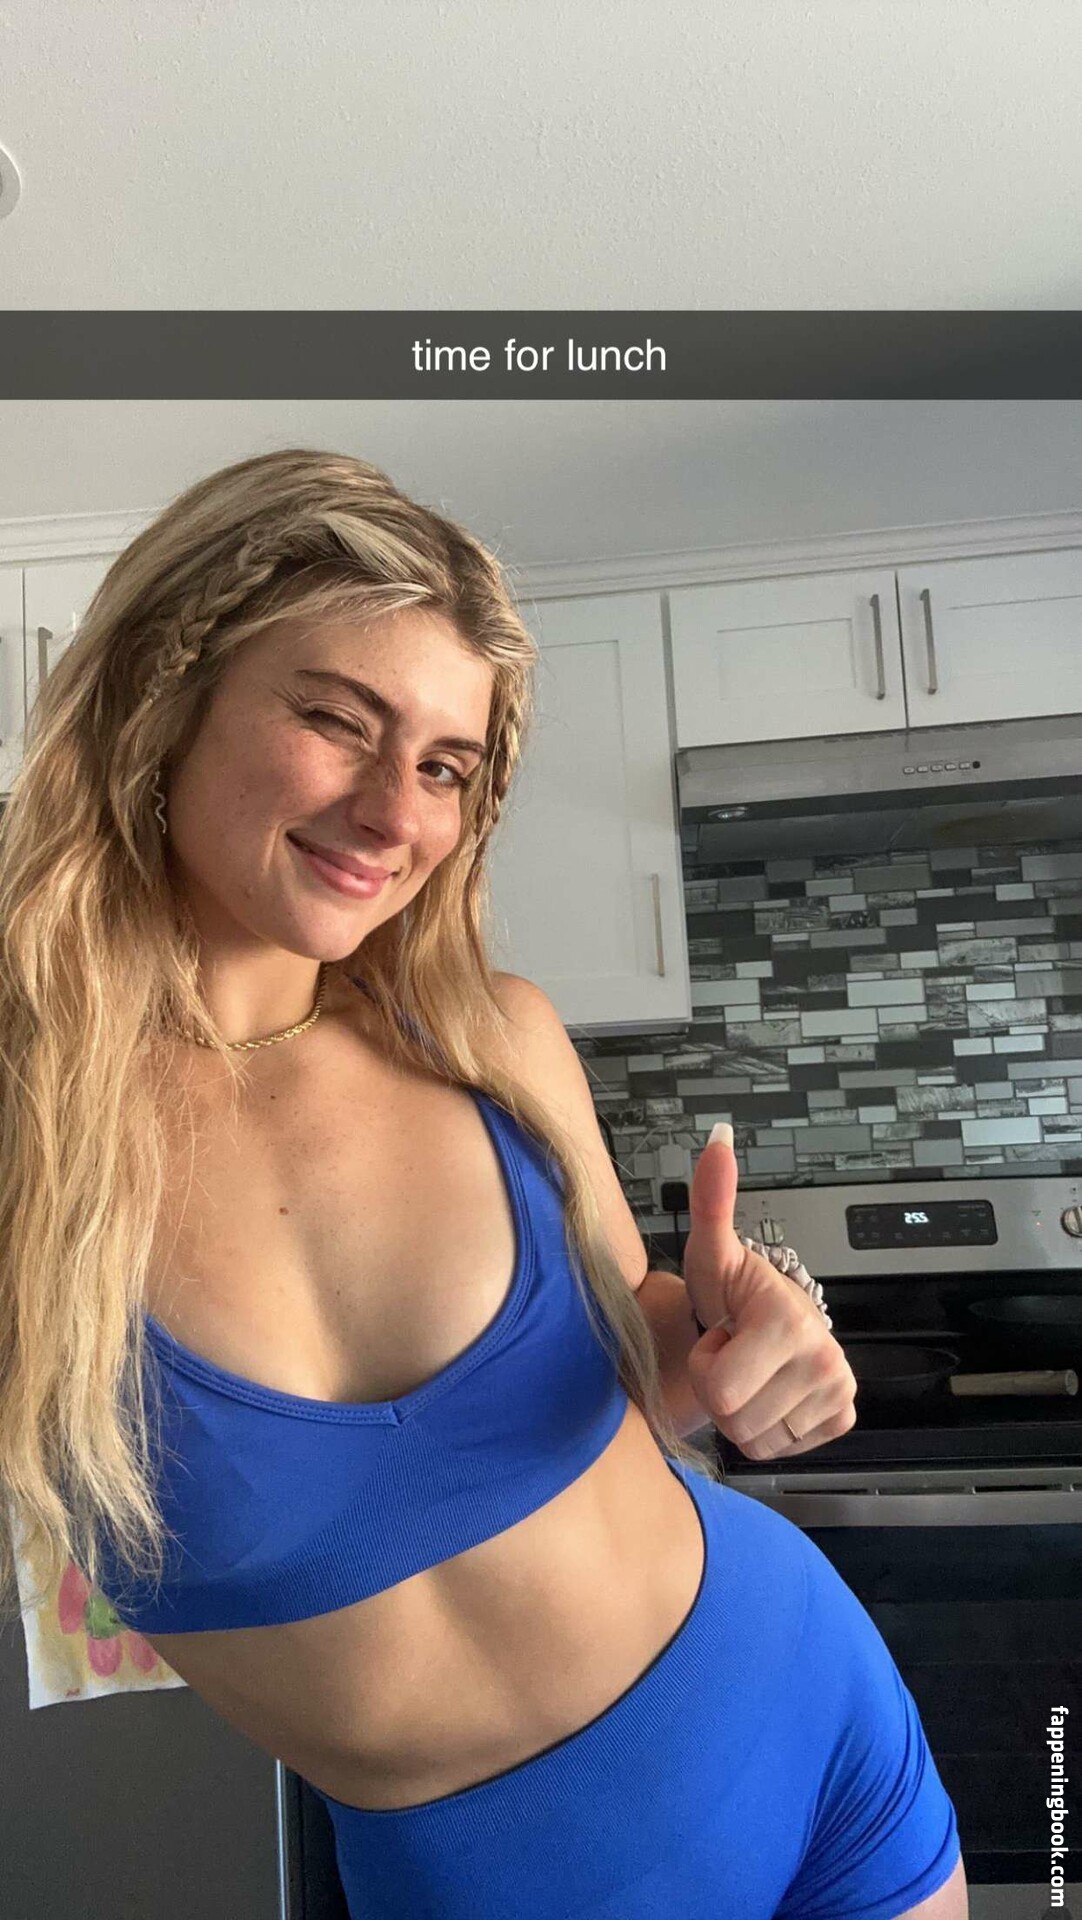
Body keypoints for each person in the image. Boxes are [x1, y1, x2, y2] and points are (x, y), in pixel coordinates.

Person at [0, 449, 967, 1917]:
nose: (396, 814)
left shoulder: (486, 1040)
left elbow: (634, 1372)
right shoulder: (31, 1155)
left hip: (815, 1722)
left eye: (445, 766)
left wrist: (744, 1340)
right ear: (162, 699)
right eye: (337, 720)